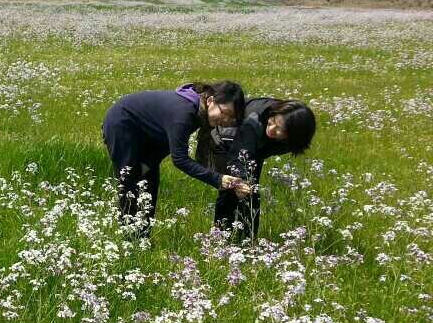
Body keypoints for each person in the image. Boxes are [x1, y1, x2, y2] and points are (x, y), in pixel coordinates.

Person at [102, 81, 251, 233]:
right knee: (130, 180)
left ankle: (142, 236)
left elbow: (168, 139)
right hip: (121, 123)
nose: (225, 120)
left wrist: (148, 162)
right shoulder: (184, 113)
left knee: (149, 181)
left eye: (231, 118)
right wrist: (218, 179)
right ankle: (128, 236)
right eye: (225, 112)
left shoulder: (199, 112)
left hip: (147, 134)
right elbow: (180, 159)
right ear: (211, 101)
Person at [196, 98, 316, 238]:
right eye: (272, 122)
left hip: (251, 145)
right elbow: (240, 154)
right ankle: (220, 238)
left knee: (251, 191)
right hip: (223, 139)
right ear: (273, 113)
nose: (271, 130)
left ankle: (248, 239)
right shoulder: (254, 121)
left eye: (280, 130)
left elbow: (257, 152)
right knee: (231, 188)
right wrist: (240, 181)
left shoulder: (295, 134)